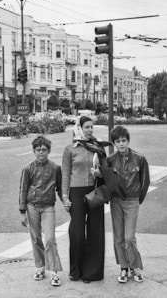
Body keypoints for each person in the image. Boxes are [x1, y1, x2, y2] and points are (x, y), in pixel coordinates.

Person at [61, 116, 109, 283]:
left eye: (91, 127)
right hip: (76, 192)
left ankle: (91, 272)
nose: (90, 130)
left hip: (95, 191)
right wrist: (65, 197)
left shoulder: (97, 147)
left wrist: (100, 173)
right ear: (79, 128)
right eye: (87, 127)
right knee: (77, 233)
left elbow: (107, 170)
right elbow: (65, 174)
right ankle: (76, 271)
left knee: (95, 232)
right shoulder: (70, 149)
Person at [106, 125, 150, 284]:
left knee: (129, 237)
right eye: (117, 141)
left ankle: (135, 267)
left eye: (124, 140)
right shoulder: (110, 160)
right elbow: (107, 180)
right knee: (118, 237)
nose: (121, 144)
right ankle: (124, 268)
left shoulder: (140, 158)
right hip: (116, 201)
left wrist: (138, 199)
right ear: (114, 144)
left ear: (128, 141)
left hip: (132, 201)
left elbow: (145, 181)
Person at [19, 136, 63, 287]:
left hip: (48, 207)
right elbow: (23, 189)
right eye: (38, 150)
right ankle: (40, 267)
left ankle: (54, 271)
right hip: (32, 206)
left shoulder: (55, 168)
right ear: (33, 151)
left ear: (48, 151)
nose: (41, 153)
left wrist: (67, 202)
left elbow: (60, 187)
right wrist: (22, 211)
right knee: (36, 238)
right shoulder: (28, 169)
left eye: (44, 150)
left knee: (50, 238)